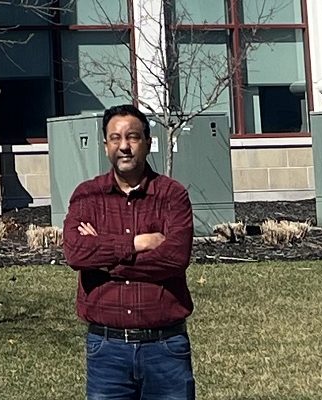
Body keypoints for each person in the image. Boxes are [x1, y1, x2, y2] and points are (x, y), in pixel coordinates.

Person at [63, 104, 195, 399]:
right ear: (105, 145)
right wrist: (138, 244)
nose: (124, 146)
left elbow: (174, 258)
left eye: (133, 137)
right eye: (115, 138)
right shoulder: (87, 195)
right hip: (106, 349)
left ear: (148, 142)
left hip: (165, 348)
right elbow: (75, 253)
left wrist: (105, 258)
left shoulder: (172, 195)